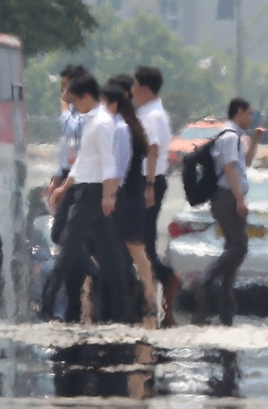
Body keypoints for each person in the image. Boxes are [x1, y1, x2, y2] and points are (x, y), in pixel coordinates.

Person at [41, 72, 128, 323]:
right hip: (87, 189)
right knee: (110, 253)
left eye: (76, 101)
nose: (74, 107)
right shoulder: (91, 120)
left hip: (93, 193)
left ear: (87, 97)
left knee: (67, 248)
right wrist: (64, 187)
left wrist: (108, 194)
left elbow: (108, 162)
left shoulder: (102, 123)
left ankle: (46, 303)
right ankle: (124, 305)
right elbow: (83, 161)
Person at [192, 97, 265, 326]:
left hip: (230, 197)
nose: (251, 118)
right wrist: (239, 199)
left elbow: (244, 164)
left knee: (232, 249)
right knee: (240, 245)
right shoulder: (229, 136)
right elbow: (229, 168)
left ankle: (225, 310)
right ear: (240, 112)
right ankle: (205, 280)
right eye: (249, 114)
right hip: (227, 198)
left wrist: (254, 141)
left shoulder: (237, 138)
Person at [41, 64, 98, 323]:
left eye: (66, 87)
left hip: (82, 179)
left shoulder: (85, 116)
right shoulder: (79, 114)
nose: (63, 93)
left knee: (66, 237)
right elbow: (66, 150)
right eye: (62, 88)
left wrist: (64, 106)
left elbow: (70, 131)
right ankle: (74, 303)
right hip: (69, 175)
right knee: (68, 239)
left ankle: (54, 298)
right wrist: (56, 179)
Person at [100, 83, 157, 329]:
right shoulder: (126, 126)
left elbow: (119, 167)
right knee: (129, 248)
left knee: (135, 248)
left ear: (113, 104)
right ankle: (140, 298)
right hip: (128, 194)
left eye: (103, 103)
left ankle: (150, 298)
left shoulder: (122, 129)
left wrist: (111, 194)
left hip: (127, 195)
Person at [131, 65, 181, 327]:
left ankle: (164, 281)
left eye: (135, 85)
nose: (132, 91)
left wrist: (148, 185)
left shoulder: (152, 115)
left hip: (149, 181)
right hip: (148, 180)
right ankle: (156, 294)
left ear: (145, 88)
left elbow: (152, 150)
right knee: (143, 240)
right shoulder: (149, 112)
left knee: (144, 241)